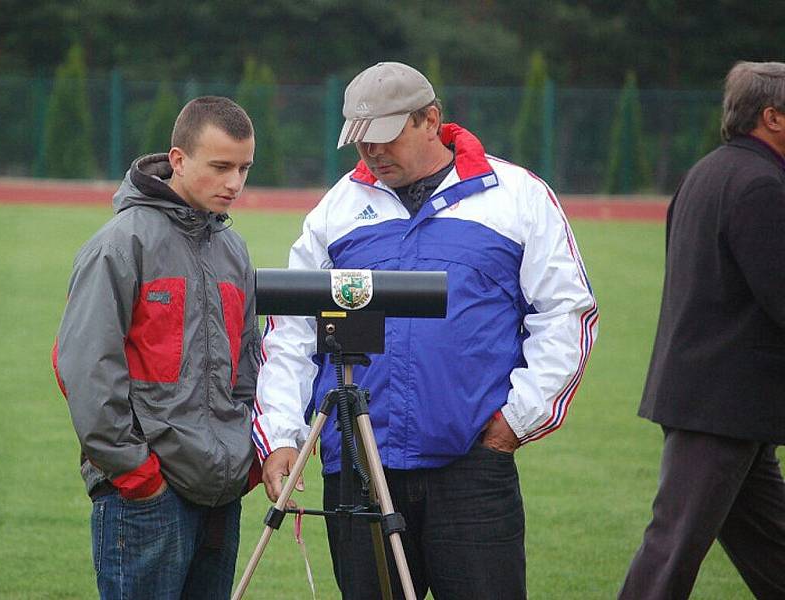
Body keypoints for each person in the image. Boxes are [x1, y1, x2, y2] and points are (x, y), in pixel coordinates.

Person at [253, 62, 599, 599]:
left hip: (471, 466)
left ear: (430, 120)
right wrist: (281, 438)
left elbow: (566, 314)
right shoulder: (337, 209)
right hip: (358, 467)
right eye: (360, 141)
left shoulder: (517, 196)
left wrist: (512, 424)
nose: (372, 153)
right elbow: (292, 331)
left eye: (386, 138)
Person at [52, 96, 262, 599]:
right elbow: (82, 368)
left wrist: (242, 458)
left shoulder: (234, 249)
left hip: (220, 493)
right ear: (178, 160)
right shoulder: (120, 244)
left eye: (244, 168)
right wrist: (139, 474)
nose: (234, 183)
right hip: (145, 496)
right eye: (221, 167)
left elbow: (249, 360)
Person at [618, 61, 785, 599]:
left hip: (719, 400)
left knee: (772, 547)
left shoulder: (707, 172)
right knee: (670, 554)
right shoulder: (761, 184)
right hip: (723, 405)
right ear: (773, 117)